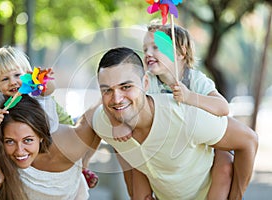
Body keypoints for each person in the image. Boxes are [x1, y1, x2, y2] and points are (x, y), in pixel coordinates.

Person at [65, 47, 256, 199]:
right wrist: (83, 165)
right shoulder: (104, 121)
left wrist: (235, 197)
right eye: (107, 90)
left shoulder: (183, 116)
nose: (116, 98)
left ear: (146, 83)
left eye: (126, 87)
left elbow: (248, 140)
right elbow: (87, 123)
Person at [110, 23, 234, 199]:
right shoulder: (147, 82)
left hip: (196, 155)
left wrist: (190, 96)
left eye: (156, 47)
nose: (148, 53)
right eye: (145, 49)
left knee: (226, 162)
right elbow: (122, 102)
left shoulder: (196, 80)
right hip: (162, 152)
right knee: (136, 160)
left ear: (181, 52)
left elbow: (223, 108)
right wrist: (118, 123)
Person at [0, 46, 98, 188]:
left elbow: (50, 89)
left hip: (58, 119)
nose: (12, 82)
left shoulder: (33, 90)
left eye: (17, 75)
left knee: (75, 146)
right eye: (5, 79)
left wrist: (43, 83)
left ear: (27, 74)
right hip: (31, 135)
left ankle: (83, 166)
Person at [0, 94, 89, 199]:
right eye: (10, 141)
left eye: (27, 140)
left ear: (41, 136)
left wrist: (85, 164)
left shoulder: (66, 150)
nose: (20, 151)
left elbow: (94, 121)